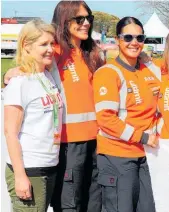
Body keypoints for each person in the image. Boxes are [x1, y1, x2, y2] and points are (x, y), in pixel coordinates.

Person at [4, 1, 104, 211]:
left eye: (89, 18)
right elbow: (29, 66)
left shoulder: (93, 52)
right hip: (69, 144)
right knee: (69, 204)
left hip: (95, 142)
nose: (86, 23)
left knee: (94, 202)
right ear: (64, 20)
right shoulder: (55, 50)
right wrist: (10, 74)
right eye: (79, 19)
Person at [93, 16, 159, 212]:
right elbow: (106, 119)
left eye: (140, 38)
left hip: (145, 155)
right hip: (118, 155)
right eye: (128, 37)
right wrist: (143, 137)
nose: (134, 43)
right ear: (117, 39)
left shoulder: (150, 69)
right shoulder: (108, 73)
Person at [3, 20, 63, 212]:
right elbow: (10, 133)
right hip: (29, 168)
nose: (50, 50)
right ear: (26, 47)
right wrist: (20, 176)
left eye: (51, 44)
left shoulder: (49, 76)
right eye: (43, 44)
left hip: (50, 164)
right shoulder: (19, 82)